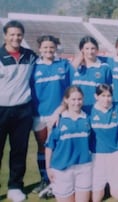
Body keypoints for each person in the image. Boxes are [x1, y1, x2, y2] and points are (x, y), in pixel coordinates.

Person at [30, 35, 73, 197]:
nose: (48, 50)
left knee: (58, 147)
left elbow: (70, 90)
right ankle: (45, 180)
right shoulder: (33, 67)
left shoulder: (63, 65)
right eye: (45, 47)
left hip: (60, 114)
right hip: (39, 115)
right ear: (40, 49)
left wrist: (61, 109)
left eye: (51, 47)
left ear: (56, 48)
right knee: (42, 147)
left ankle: (61, 180)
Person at [0, 20, 37, 202]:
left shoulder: (30, 56)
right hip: (1, 110)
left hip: (23, 110)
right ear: (5, 35)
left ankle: (15, 186)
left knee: (19, 151)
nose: (16, 38)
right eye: (12, 34)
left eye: (19, 34)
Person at [45, 86, 92, 202]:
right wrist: (48, 168)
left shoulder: (87, 117)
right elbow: (49, 147)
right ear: (66, 100)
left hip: (84, 167)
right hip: (62, 168)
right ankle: (53, 188)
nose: (77, 102)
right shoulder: (58, 120)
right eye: (73, 99)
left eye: (79, 99)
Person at [89, 84, 118, 201]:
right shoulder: (89, 110)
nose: (106, 99)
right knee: (96, 198)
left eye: (109, 96)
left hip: (116, 154)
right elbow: (69, 105)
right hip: (97, 156)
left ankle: (112, 184)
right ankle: (102, 185)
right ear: (96, 96)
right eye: (103, 96)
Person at [71, 36, 112, 114]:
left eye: (93, 48)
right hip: (77, 110)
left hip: (96, 111)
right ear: (82, 50)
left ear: (97, 50)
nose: (90, 51)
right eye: (87, 48)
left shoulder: (104, 68)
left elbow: (108, 91)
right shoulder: (76, 67)